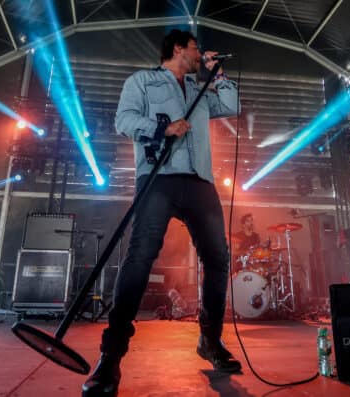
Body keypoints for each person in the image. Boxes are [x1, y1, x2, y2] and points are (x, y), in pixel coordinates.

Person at [83, 30, 241, 396]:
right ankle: (111, 357)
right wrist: (161, 128)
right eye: (196, 48)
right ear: (178, 48)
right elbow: (124, 120)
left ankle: (210, 340)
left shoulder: (200, 90)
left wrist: (219, 74)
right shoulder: (142, 81)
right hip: (159, 176)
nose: (200, 54)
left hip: (199, 180)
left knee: (218, 258)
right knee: (140, 257)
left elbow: (231, 105)